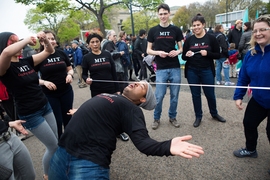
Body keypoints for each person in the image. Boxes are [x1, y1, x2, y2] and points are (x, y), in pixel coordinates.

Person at [48, 81, 204, 179]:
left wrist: (168, 146)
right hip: (62, 152)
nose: (136, 83)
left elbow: (143, 143)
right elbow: (100, 111)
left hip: (88, 162)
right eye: (138, 82)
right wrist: (81, 112)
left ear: (143, 99)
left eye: (142, 86)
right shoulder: (112, 96)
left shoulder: (132, 110)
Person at [0, 32, 58, 180]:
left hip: (44, 105)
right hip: (30, 113)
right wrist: (26, 40)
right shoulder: (4, 68)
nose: (17, 44)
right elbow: (6, 53)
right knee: (53, 146)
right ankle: (47, 175)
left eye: (17, 40)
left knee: (56, 143)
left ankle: (54, 171)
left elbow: (49, 51)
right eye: (12, 42)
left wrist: (45, 40)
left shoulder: (26, 61)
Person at [233, 16, 270, 161]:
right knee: (249, 122)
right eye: (255, 31)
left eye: (263, 29)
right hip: (259, 99)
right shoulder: (251, 54)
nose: (258, 33)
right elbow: (243, 77)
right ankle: (250, 149)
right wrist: (238, 96)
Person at [182, 14, 226, 128]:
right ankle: (198, 116)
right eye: (194, 25)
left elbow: (218, 54)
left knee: (210, 94)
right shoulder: (189, 40)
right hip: (192, 71)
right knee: (195, 95)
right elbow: (183, 57)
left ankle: (214, 113)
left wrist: (208, 54)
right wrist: (186, 55)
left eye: (198, 25)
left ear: (203, 25)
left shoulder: (211, 38)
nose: (196, 27)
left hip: (207, 70)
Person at [147, 3, 183, 130]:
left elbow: (181, 47)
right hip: (161, 68)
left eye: (165, 13)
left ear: (169, 14)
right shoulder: (153, 31)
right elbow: (148, 50)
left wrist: (177, 51)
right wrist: (158, 53)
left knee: (175, 96)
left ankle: (172, 117)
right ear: (158, 15)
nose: (163, 16)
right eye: (160, 14)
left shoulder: (176, 30)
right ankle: (156, 118)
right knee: (159, 96)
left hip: (175, 67)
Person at [35, 30, 74, 139]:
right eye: (48, 39)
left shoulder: (61, 53)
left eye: (52, 38)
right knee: (57, 120)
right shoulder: (38, 57)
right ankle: (59, 144)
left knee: (68, 117)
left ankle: (69, 141)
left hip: (66, 91)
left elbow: (70, 69)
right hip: (50, 95)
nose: (51, 41)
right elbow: (33, 78)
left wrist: (70, 75)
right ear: (42, 42)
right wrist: (44, 82)